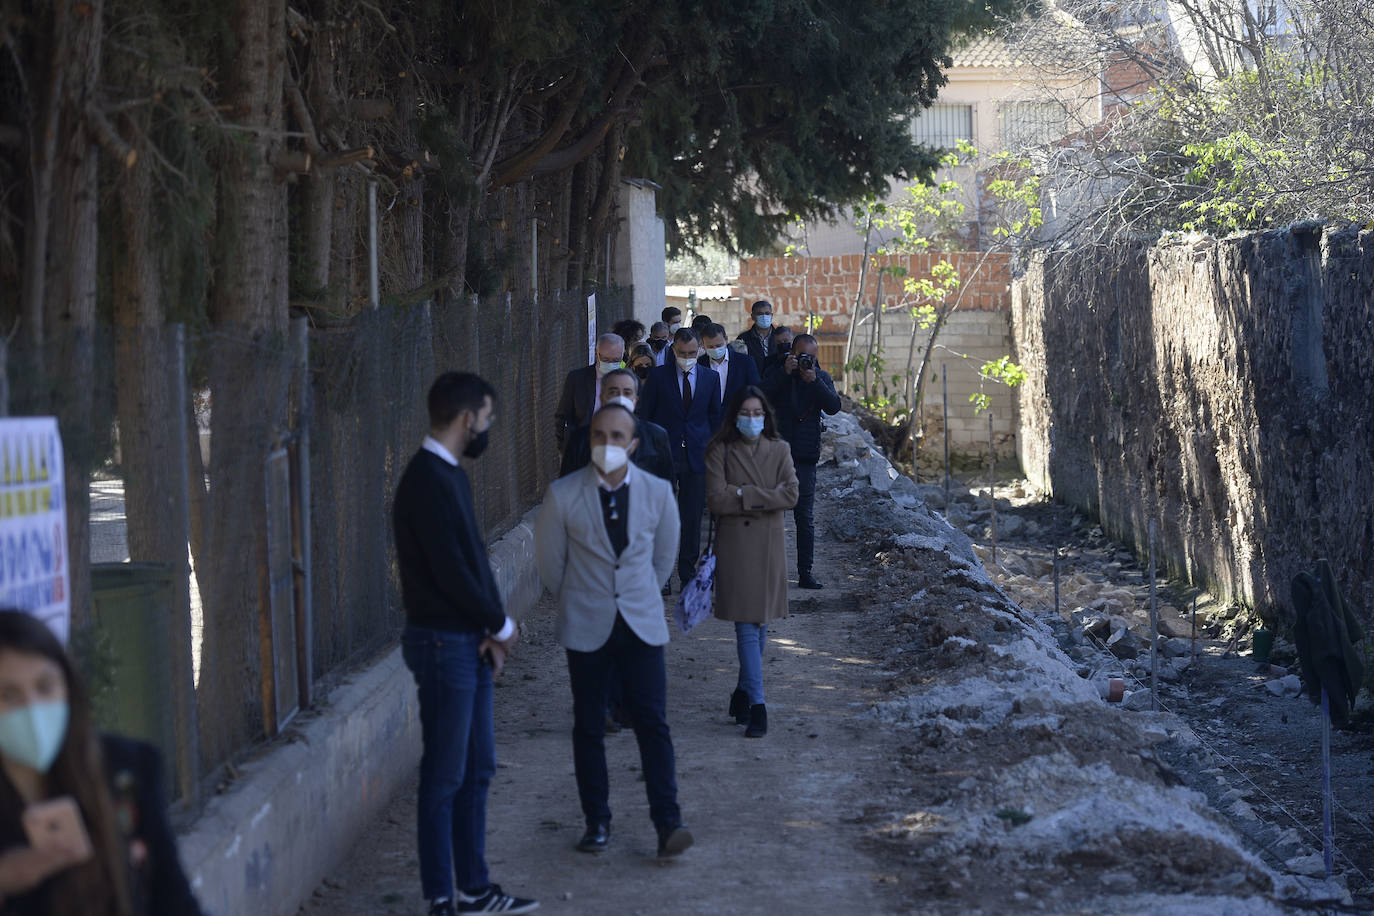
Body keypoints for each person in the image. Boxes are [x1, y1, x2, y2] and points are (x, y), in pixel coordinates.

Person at [392, 373, 536, 916]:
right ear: (465, 418)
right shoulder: (426, 479)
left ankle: (474, 890)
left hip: (465, 642)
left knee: (476, 768)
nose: (489, 427)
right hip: (443, 644)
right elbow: (451, 571)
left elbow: (472, 562)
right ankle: (440, 897)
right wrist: (499, 626)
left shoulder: (448, 473)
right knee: (445, 775)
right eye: (488, 417)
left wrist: (490, 630)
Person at [534, 404, 693, 859]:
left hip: (641, 624)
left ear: (633, 443)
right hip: (586, 624)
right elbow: (550, 564)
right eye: (599, 435)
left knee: (652, 724)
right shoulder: (563, 495)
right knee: (588, 726)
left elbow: (664, 559)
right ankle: (596, 822)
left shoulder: (658, 493)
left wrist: (636, 592)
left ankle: (668, 822)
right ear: (589, 441)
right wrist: (580, 597)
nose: (608, 444)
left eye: (618, 436)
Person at [0, 609, 202, 916]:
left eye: (45, 687)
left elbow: (172, 899)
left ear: (68, 689)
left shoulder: (127, 769)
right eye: (8, 695)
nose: (33, 709)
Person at [704, 389, 798, 739]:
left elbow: (791, 495)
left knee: (759, 625)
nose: (752, 418)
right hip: (737, 545)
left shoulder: (780, 449)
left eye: (757, 411)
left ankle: (742, 693)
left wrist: (742, 493)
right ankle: (759, 705)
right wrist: (763, 497)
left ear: (766, 415)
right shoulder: (719, 450)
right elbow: (716, 498)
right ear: (734, 416)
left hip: (769, 545)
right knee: (747, 624)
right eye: (745, 412)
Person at [636, 328, 722, 590]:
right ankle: (662, 575)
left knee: (692, 517)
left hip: (696, 457)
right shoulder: (658, 377)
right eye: (683, 353)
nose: (688, 357)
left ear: (700, 350)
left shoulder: (710, 378)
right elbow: (645, 417)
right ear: (673, 351)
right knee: (661, 517)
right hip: (663, 455)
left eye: (693, 353)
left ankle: (687, 573)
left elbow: (714, 418)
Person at [762, 334, 841, 590]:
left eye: (813, 358)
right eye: (803, 356)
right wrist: (784, 373)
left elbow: (833, 407)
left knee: (804, 518)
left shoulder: (821, 377)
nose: (808, 361)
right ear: (792, 354)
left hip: (806, 456)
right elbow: (760, 395)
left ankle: (805, 573)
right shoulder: (778, 371)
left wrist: (815, 381)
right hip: (776, 454)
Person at [560, 369, 674, 482]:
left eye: (627, 393)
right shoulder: (580, 439)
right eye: (613, 392)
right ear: (602, 398)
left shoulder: (656, 437)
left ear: (636, 400)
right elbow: (566, 486)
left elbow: (668, 488)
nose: (620, 398)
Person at [554, 333, 625, 453]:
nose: (611, 364)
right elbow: (563, 415)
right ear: (596, 354)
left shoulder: (630, 382)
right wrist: (565, 448)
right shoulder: (577, 378)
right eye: (606, 360)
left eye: (616, 360)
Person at [698, 322, 760, 425]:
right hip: (708, 424)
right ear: (703, 345)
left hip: (737, 421)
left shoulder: (745, 362)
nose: (715, 349)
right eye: (710, 347)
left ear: (726, 340)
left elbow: (755, 390)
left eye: (719, 345)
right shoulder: (700, 364)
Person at [736, 300, 779, 376]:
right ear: (752, 316)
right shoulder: (744, 338)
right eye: (760, 314)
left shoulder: (779, 336)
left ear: (771, 315)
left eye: (767, 313)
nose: (764, 317)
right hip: (753, 382)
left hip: (777, 382)